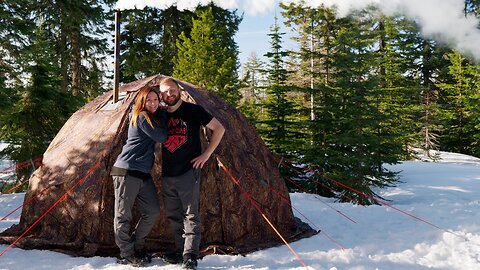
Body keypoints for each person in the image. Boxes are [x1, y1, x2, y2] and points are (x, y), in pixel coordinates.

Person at [159, 77, 225, 270]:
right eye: (164, 92)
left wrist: (206, 154)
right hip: (167, 173)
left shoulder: (193, 110)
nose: (168, 94)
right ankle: (181, 251)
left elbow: (219, 128)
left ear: (178, 90)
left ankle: (190, 256)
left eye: (171, 90)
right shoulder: (161, 114)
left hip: (188, 171)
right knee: (173, 215)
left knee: (190, 215)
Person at [111, 86, 167, 267]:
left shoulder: (150, 117)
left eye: (156, 100)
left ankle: (137, 245)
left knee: (152, 211)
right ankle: (126, 253)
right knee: (123, 215)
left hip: (143, 173)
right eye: (149, 100)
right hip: (126, 171)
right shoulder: (142, 117)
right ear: (142, 102)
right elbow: (161, 136)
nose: (153, 103)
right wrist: (165, 115)